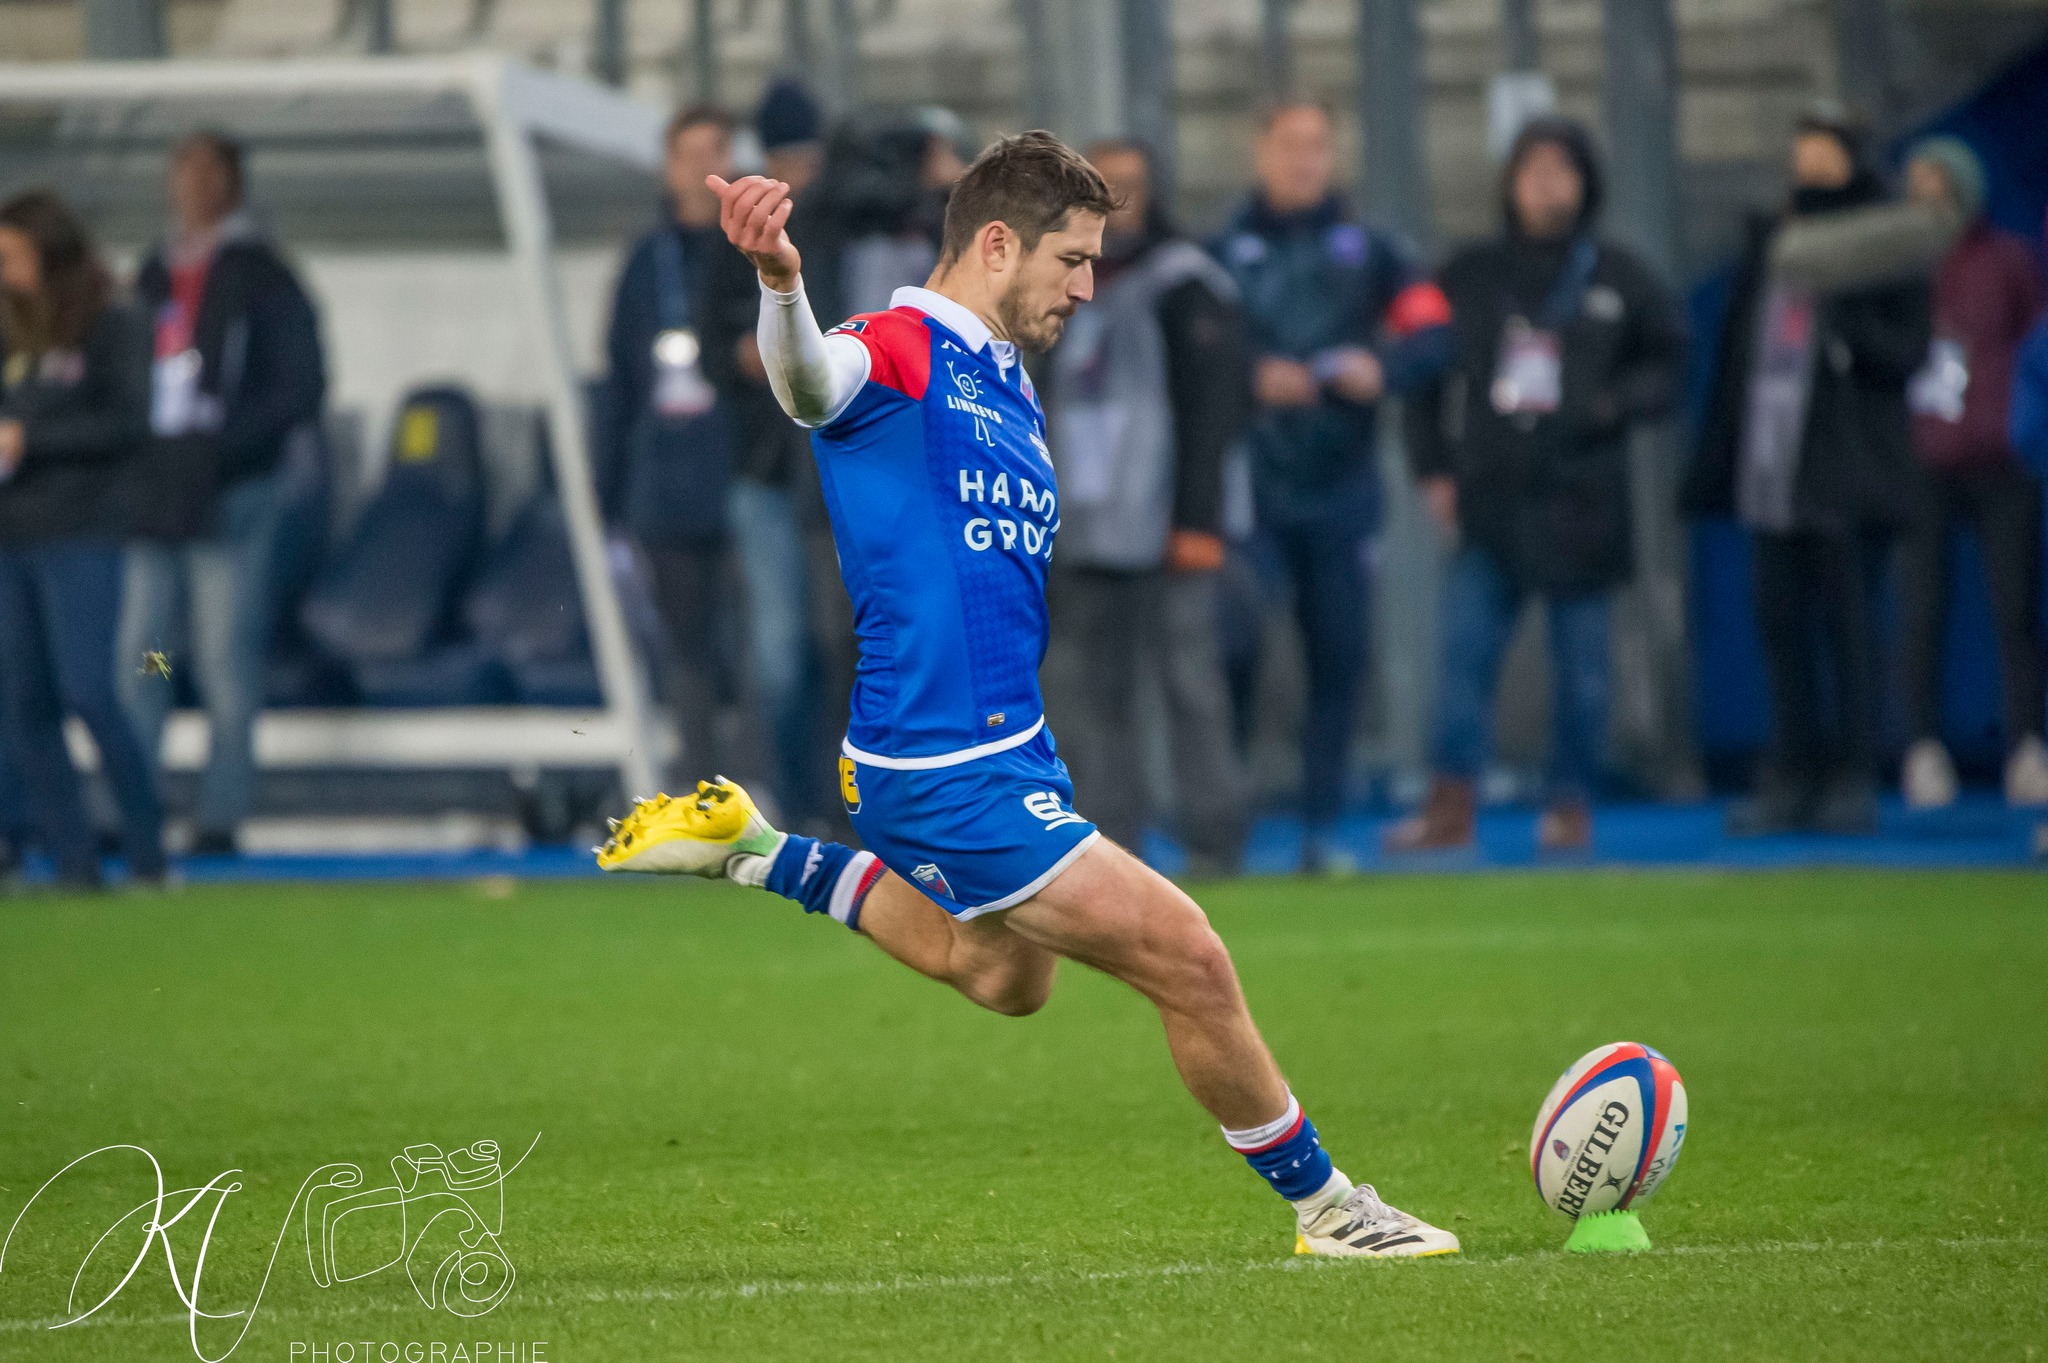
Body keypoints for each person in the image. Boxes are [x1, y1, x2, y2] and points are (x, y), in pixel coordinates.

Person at [598, 132, 1462, 1260]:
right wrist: (780, 282)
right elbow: (809, 382)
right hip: (942, 762)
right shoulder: (896, 343)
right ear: (996, 244)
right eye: (1072, 258)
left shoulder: (1002, 375)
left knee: (1004, 979)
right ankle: (1330, 1209)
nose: (1087, 284)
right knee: (1188, 955)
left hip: (1009, 746)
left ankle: (759, 851)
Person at [1388, 117, 1684, 853]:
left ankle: (1571, 804)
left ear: (1587, 183)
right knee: (1462, 659)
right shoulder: (1469, 272)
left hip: (1584, 501)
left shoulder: (1621, 274)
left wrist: (1612, 404)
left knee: (1584, 675)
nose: (1547, 185)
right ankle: (1449, 807)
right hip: (1491, 499)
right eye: (1533, 169)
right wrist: (1432, 469)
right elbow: (1417, 368)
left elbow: (1673, 367)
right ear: (1510, 181)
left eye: (1562, 170)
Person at [1211, 102, 1454, 872]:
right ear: (1261, 152)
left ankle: (1321, 827)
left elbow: (1435, 332)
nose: (1304, 161)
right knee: (1235, 648)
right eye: (1290, 146)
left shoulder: (1375, 251)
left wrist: (1384, 369)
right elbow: (1194, 350)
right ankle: (1225, 826)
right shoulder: (1220, 254)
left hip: (1345, 489)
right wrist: (1250, 379)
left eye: (1318, 145)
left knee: (1339, 656)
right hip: (1253, 485)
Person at [1684, 107, 1935, 834]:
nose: (1810, 174)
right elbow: (1738, 358)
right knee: (1780, 627)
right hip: (1773, 467)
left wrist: (1841, 319)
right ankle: (1790, 770)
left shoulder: (1885, 247)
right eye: (1803, 160)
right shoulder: (1772, 246)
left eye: (1825, 160)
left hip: (1849, 471)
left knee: (1851, 629)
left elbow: (1907, 351)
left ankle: (1853, 772)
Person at [1042, 138, 1251, 872]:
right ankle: (1111, 845)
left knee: (1189, 683)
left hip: (1168, 526)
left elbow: (1214, 415)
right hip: (1086, 530)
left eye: (1131, 187)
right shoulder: (1056, 283)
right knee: (1097, 696)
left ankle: (1215, 836)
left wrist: (1197, 520)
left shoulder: (1188, 283)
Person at [116, 131, 326, 857]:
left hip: (231, 496)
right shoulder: (151, 271)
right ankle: (137, 801)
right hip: (157, 497)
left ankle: (220, 811)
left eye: (206, 171)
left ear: (233, 180)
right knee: (148, 653)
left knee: (223, 655)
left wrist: (226, 447)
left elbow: (299, 385)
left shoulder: (262, 274)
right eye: (181, 169)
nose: (191, 185)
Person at [0, 189, 166, 889]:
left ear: (50, 252)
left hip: (83, 532)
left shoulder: (115, 321)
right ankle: (74, 862)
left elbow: (128, 422)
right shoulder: (10, 328)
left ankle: (148, 851)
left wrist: (30, 438)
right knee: (22, 702)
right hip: (13, 535)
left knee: (92, 690)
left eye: (12, 254)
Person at [596, 105, 754, 789]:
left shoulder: (762, 250)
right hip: (665, 484)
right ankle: (703, 792)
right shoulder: (644, 262)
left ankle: (769, 792)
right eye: (688, 152)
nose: (701, 166)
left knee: (756, 651)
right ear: (667, 164)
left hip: (748, 473)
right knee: (686, 652)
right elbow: (620, 383)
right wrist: (610, 496)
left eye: (714, 148)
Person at [1894, 137, 2048, 809]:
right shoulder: (1896, 264)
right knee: (1921, 609)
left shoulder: (2007, 260)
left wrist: (2014, 426)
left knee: (2014, 609)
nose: (1927, 196)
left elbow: (2033, 344)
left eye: (1939, 183)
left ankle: (2027, 748)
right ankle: (1923, 750)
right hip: (1919, 462)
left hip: (1999, 460)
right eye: (1917, 183)